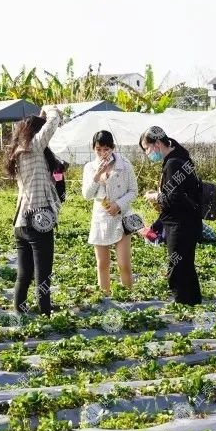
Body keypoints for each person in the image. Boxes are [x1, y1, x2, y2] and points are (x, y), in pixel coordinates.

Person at [6, 110, 61, 316]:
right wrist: (49, 109)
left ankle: (19, 309)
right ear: (36, 133)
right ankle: (45, 312)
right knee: (43, 273)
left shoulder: (17, 154)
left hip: (21, 221)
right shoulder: (35, 147)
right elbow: (54, 121)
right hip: (39, 220)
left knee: (24, 273)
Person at [140, 126, 202, 305]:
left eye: (147, 149)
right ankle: (193, 303)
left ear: (157, 143)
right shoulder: (181, 157)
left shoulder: (173, 163)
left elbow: (173, 198)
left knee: (176, 269)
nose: (147, 153)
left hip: (180, 224)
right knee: (186, 266)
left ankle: (183, 304)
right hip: (188, 222)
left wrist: (155, 197)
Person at [81, 131, 137, 295]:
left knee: (123, 263)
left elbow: (133, 191)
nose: (102, 153)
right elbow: (86, 195)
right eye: (98, 149)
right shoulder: (90, 167)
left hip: (121, 216)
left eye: (106, 149)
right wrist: (97, 175)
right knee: (102, 263)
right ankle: (105, 297)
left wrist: (118, 204)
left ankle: (128, 297)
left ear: (113, 148)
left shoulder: (124, 165)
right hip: (101, 216)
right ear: (93, 149)